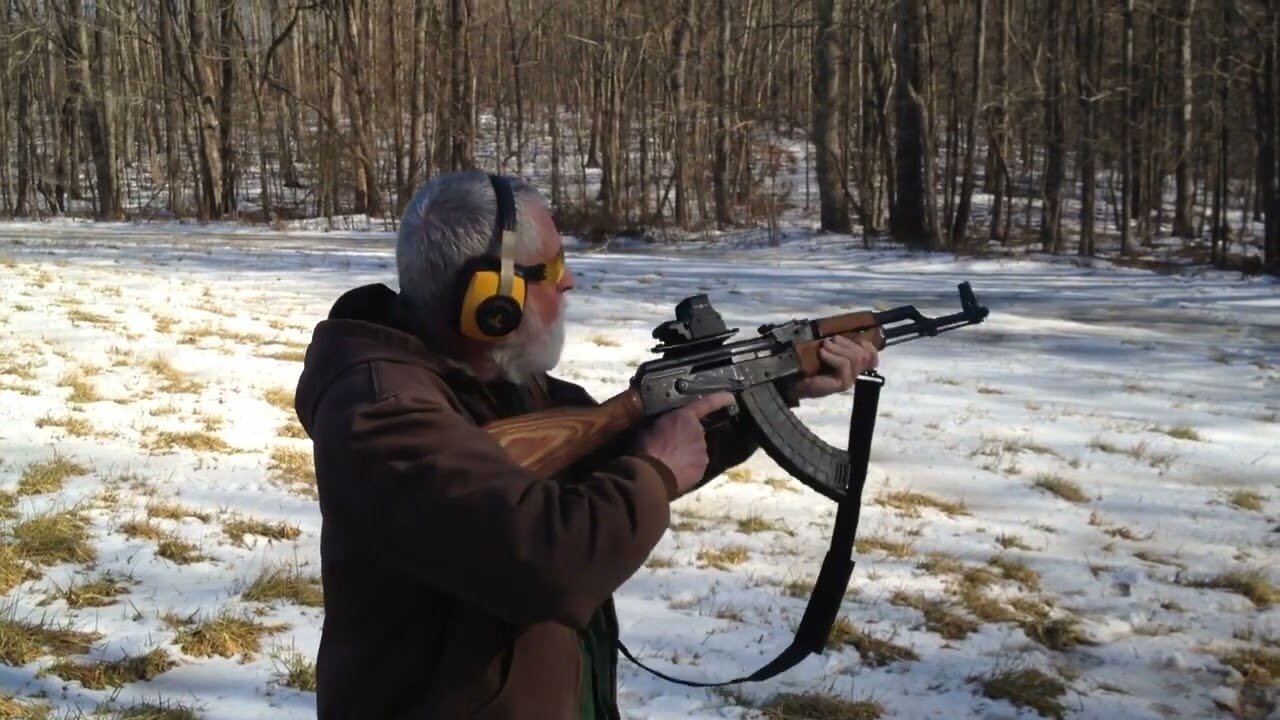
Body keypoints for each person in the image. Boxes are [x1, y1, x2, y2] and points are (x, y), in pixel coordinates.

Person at [293, 170, 880, 719]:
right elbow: (551, 559)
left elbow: (609, 463)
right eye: (550, 267)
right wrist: (655, 469)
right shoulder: (382, 413)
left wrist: (767, 394)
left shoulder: (498, 381)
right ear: (490, 301)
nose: (569, 280)